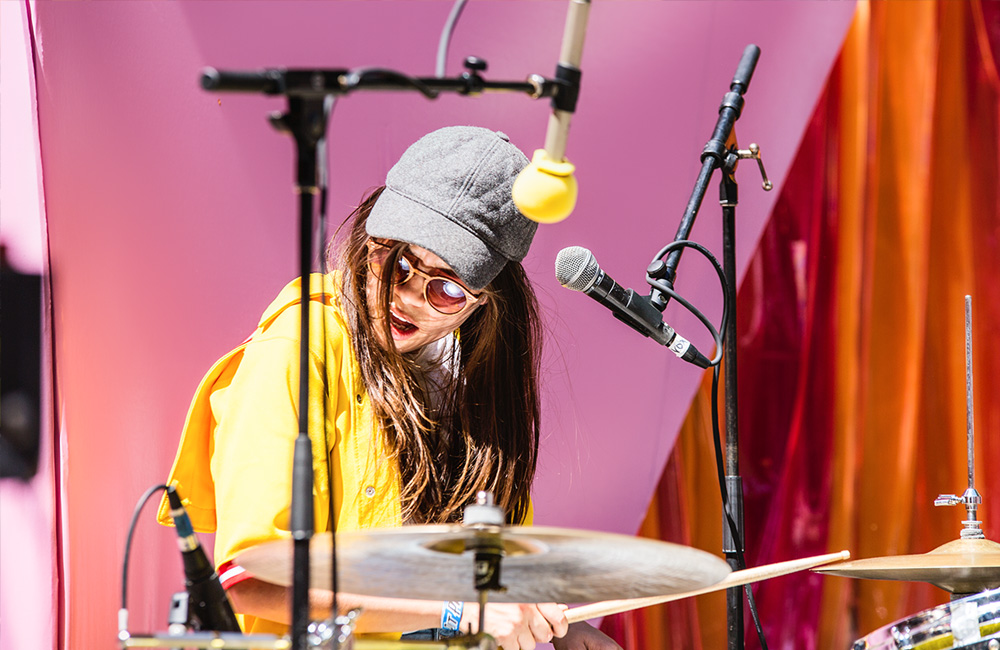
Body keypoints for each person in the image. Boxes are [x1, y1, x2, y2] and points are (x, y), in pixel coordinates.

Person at [159, 126, 621, 649]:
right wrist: (456, 609)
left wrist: (560, 625)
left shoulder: (478, 388)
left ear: (485, 302)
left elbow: (491, 579)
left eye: (445, 289)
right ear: (369, 240)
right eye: (396, 261)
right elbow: (255, 578)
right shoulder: (296, 348)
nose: (406, 296)